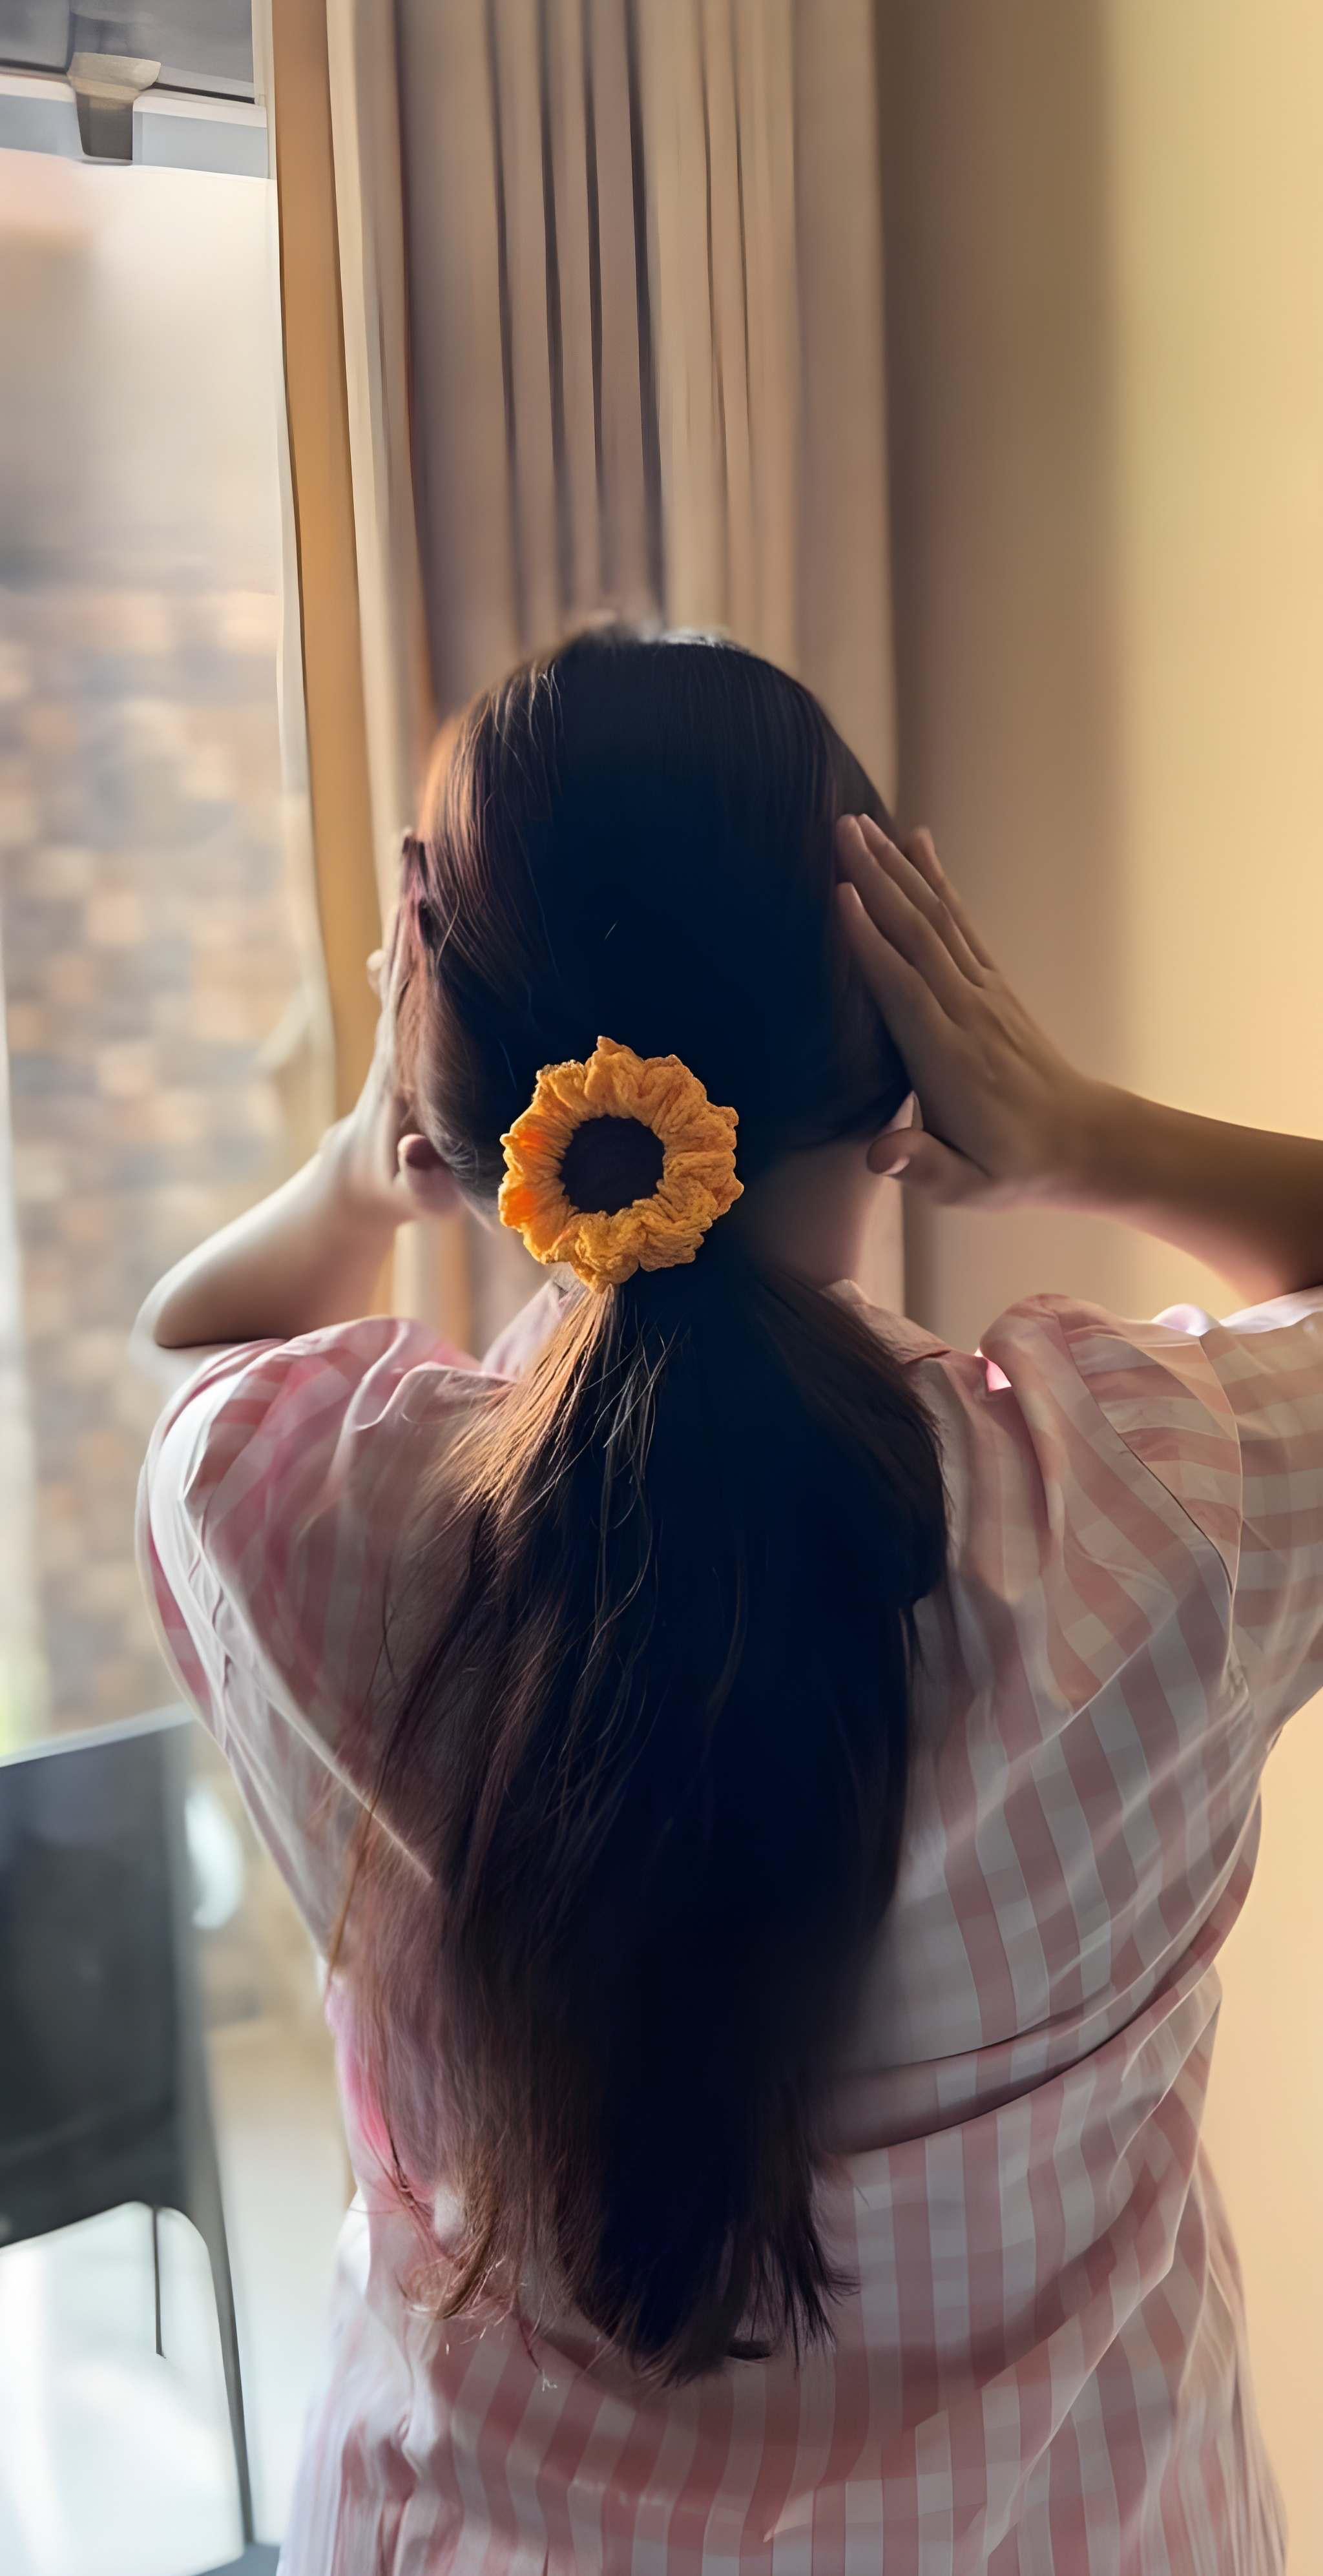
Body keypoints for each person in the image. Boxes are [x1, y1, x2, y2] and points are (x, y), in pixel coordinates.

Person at [134, 626, 1320, 2575]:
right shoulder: (1148, 1512)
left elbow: (196, 1340)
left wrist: (373, 1157)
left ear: (461, 1099)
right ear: (907, 1079)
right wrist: (1082, 1127)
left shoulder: (295, 1519)